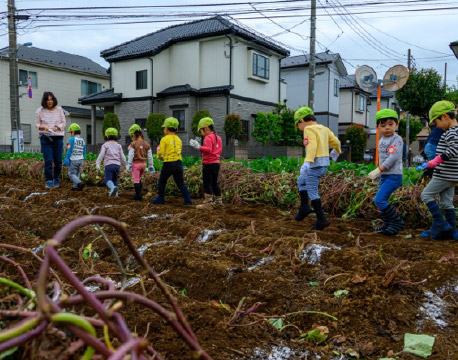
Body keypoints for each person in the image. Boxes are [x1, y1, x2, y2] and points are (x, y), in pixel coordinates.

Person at [293, 106, 341, 230]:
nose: (299, 129)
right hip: (323, 164)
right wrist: (337, 151)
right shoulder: (324, 129)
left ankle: (321, 219)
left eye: (298, 126)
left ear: (301, 121)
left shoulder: (308, 129)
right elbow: (336, 141)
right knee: (301, 180)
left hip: (315, 165)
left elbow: (312, 146)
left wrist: (307, 162)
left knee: (312, 190)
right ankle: (304, 207)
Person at [420, 100, 458, 240]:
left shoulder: (451, 132)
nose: (437, 126)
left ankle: (440, 224)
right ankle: (452, 232)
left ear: (445, 116)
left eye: (436, 122)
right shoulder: (453, 131)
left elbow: (454, 148)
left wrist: (436, 161)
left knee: (426, 195)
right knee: (446, 203)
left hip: (444, 174)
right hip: (452, 175)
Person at [368, 109, 405, 236]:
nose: (387, 128)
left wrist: (379, 169)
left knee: (379, 200)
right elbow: (382, 158)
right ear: (377, 127)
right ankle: (387, 224)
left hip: (394, 176)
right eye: (383, 125)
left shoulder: (397, 139)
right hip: (385, 176)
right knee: (382, 199)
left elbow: (393, 157)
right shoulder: (381, 141)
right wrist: (379, 174)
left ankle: (396, 222)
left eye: (390, 124)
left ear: (397, 124)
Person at [152, 117, 192, 205]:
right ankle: (188, 200)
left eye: (164, 128)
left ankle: (160, 199)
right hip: (178, 163)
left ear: (166, 129)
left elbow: (161, 152)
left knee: (162, 181)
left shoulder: (164, 139)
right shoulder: (179, 140)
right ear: (176, 129)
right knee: (180, 183)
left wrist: (159, 157)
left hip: (168, 163)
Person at [189, 117, 223, 209]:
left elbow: (208, 149)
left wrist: (198, 147)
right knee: (214, 183)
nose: (201, 133)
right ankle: (219, 201)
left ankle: (208, 203)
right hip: (216, 163)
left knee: (207, 183)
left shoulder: (208, 138)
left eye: (201, 131)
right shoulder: (218, 137)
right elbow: (219, 150)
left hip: (208, 164)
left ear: (206, 128)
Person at [35, 91, 66, 188]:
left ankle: (56, 178)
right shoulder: (39, 111)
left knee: (58, 161)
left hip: (58, 137)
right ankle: (48, 180)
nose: (50, 102)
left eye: (51, 100)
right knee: (48, 160)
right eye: (48, 100)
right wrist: (44, 128)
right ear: (44, 101)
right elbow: (37, 124)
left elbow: (63, 123)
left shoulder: (59, 110)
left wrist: (56, 127)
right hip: (46, 137)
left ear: (54, 100)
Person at [126, 124, 155, 201]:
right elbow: (150, 155)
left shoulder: (133, 144)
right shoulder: (146, 143)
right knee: (138, 179)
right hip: (144, 164)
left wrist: (129, 164)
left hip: (136, 164)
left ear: (134, 134)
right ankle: (139, 194)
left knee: (136, 180)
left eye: (132, 136)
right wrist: (151, 165)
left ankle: (138, 196)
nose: (132, 138)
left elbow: (131, 154)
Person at [96, 128, 127, 197]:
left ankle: (112, 188)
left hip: (109, 165)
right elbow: (122, 157)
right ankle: (116, 195)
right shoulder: (119, 146)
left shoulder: (105, 145)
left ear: (107, 136)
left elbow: (101, 155)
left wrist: (97, 163)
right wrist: (125, 165)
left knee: (107, 180)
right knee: (115, 180)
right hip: (117, 166)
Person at [63, 123, 86, 191]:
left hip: (73, 159)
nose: (70, 134)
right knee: (77, 173)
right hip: (80, 159)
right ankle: (76, 187)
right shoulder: (82, 140)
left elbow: (69, 149)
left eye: (70, 132)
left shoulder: (71, 139)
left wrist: (67, 158)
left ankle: (79, 183)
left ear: (73, 132)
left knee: (71, 174)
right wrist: (83, 158)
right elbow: (84, 150)